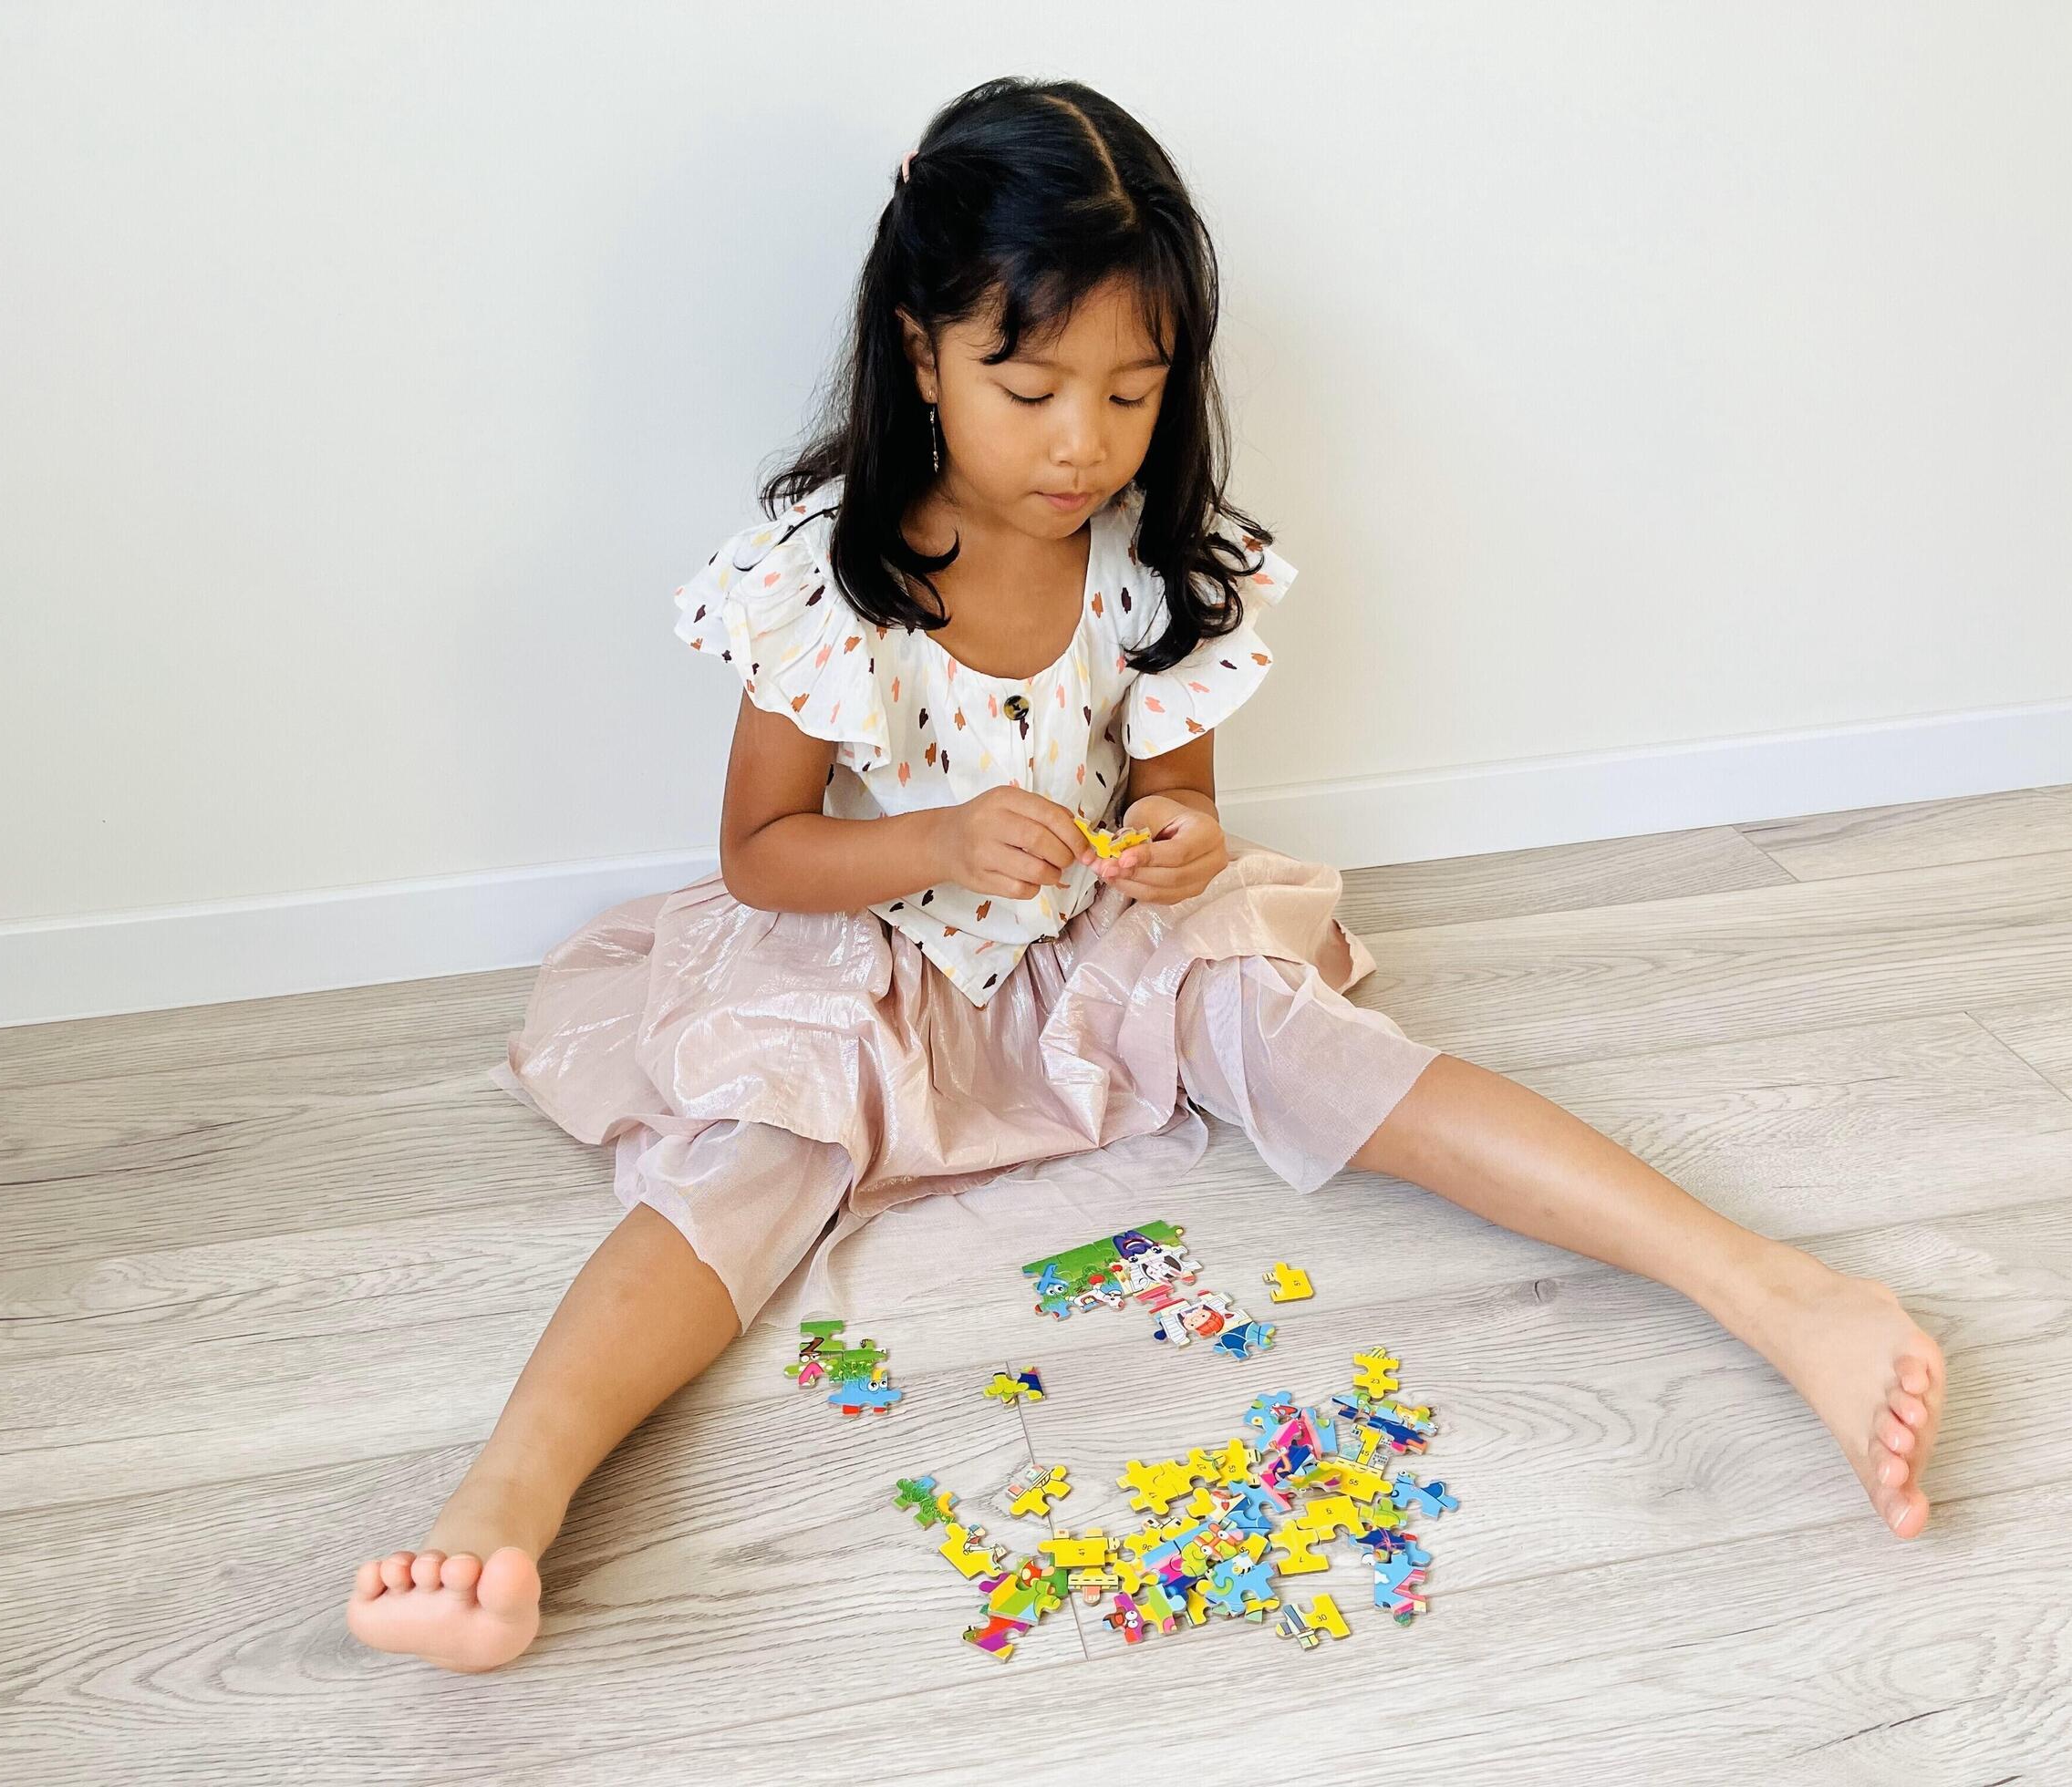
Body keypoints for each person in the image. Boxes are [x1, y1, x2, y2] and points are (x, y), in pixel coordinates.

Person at [346, 76, 1944, 1674]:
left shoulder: (1163, 558)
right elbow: (760, 854)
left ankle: (1769, 1288)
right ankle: (508, 1501)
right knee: (746, 1168)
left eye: (1132, 394)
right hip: (872, 957)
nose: (1084, 444)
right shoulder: (821, 584)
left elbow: (1175, 796)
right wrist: (939, 839)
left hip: (1093, 943)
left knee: (1311, 1044)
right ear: (919, 349)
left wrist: (1179, 843)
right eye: (1029, 387)